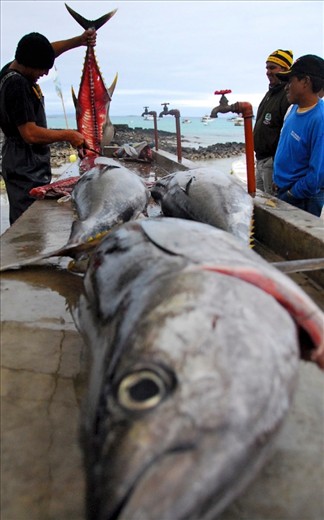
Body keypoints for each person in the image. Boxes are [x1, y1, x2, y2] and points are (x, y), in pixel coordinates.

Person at [0, 29, 96, 225]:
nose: (45, 73)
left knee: (33, 210)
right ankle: (25, 254)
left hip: (21, 158)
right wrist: (69, 135)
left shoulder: (10, 69)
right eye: (42, 68)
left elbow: (47, 51)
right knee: (27, 219)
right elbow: (30, 134)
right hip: (23, 161)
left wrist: (79, 40)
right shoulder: (17, 86)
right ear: (30, 63)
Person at [273, 55, 324, 218]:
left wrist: (290, 194)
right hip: (283, 190)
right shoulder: (294, 109)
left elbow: (315, 177)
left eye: (290, 81)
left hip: (302, 200)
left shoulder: (319, 119)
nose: (286, 87)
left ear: (305, 82)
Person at [253, 49, 294, 194]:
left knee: (272, 203)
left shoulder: (286, 96)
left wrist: (279, 164)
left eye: (272, 67)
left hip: (272, 163)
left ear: (284, 70)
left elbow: (288, 134)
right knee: (258, 202)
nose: (268, 72)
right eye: (267, 68)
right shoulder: (270, 93)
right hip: (260, 160)